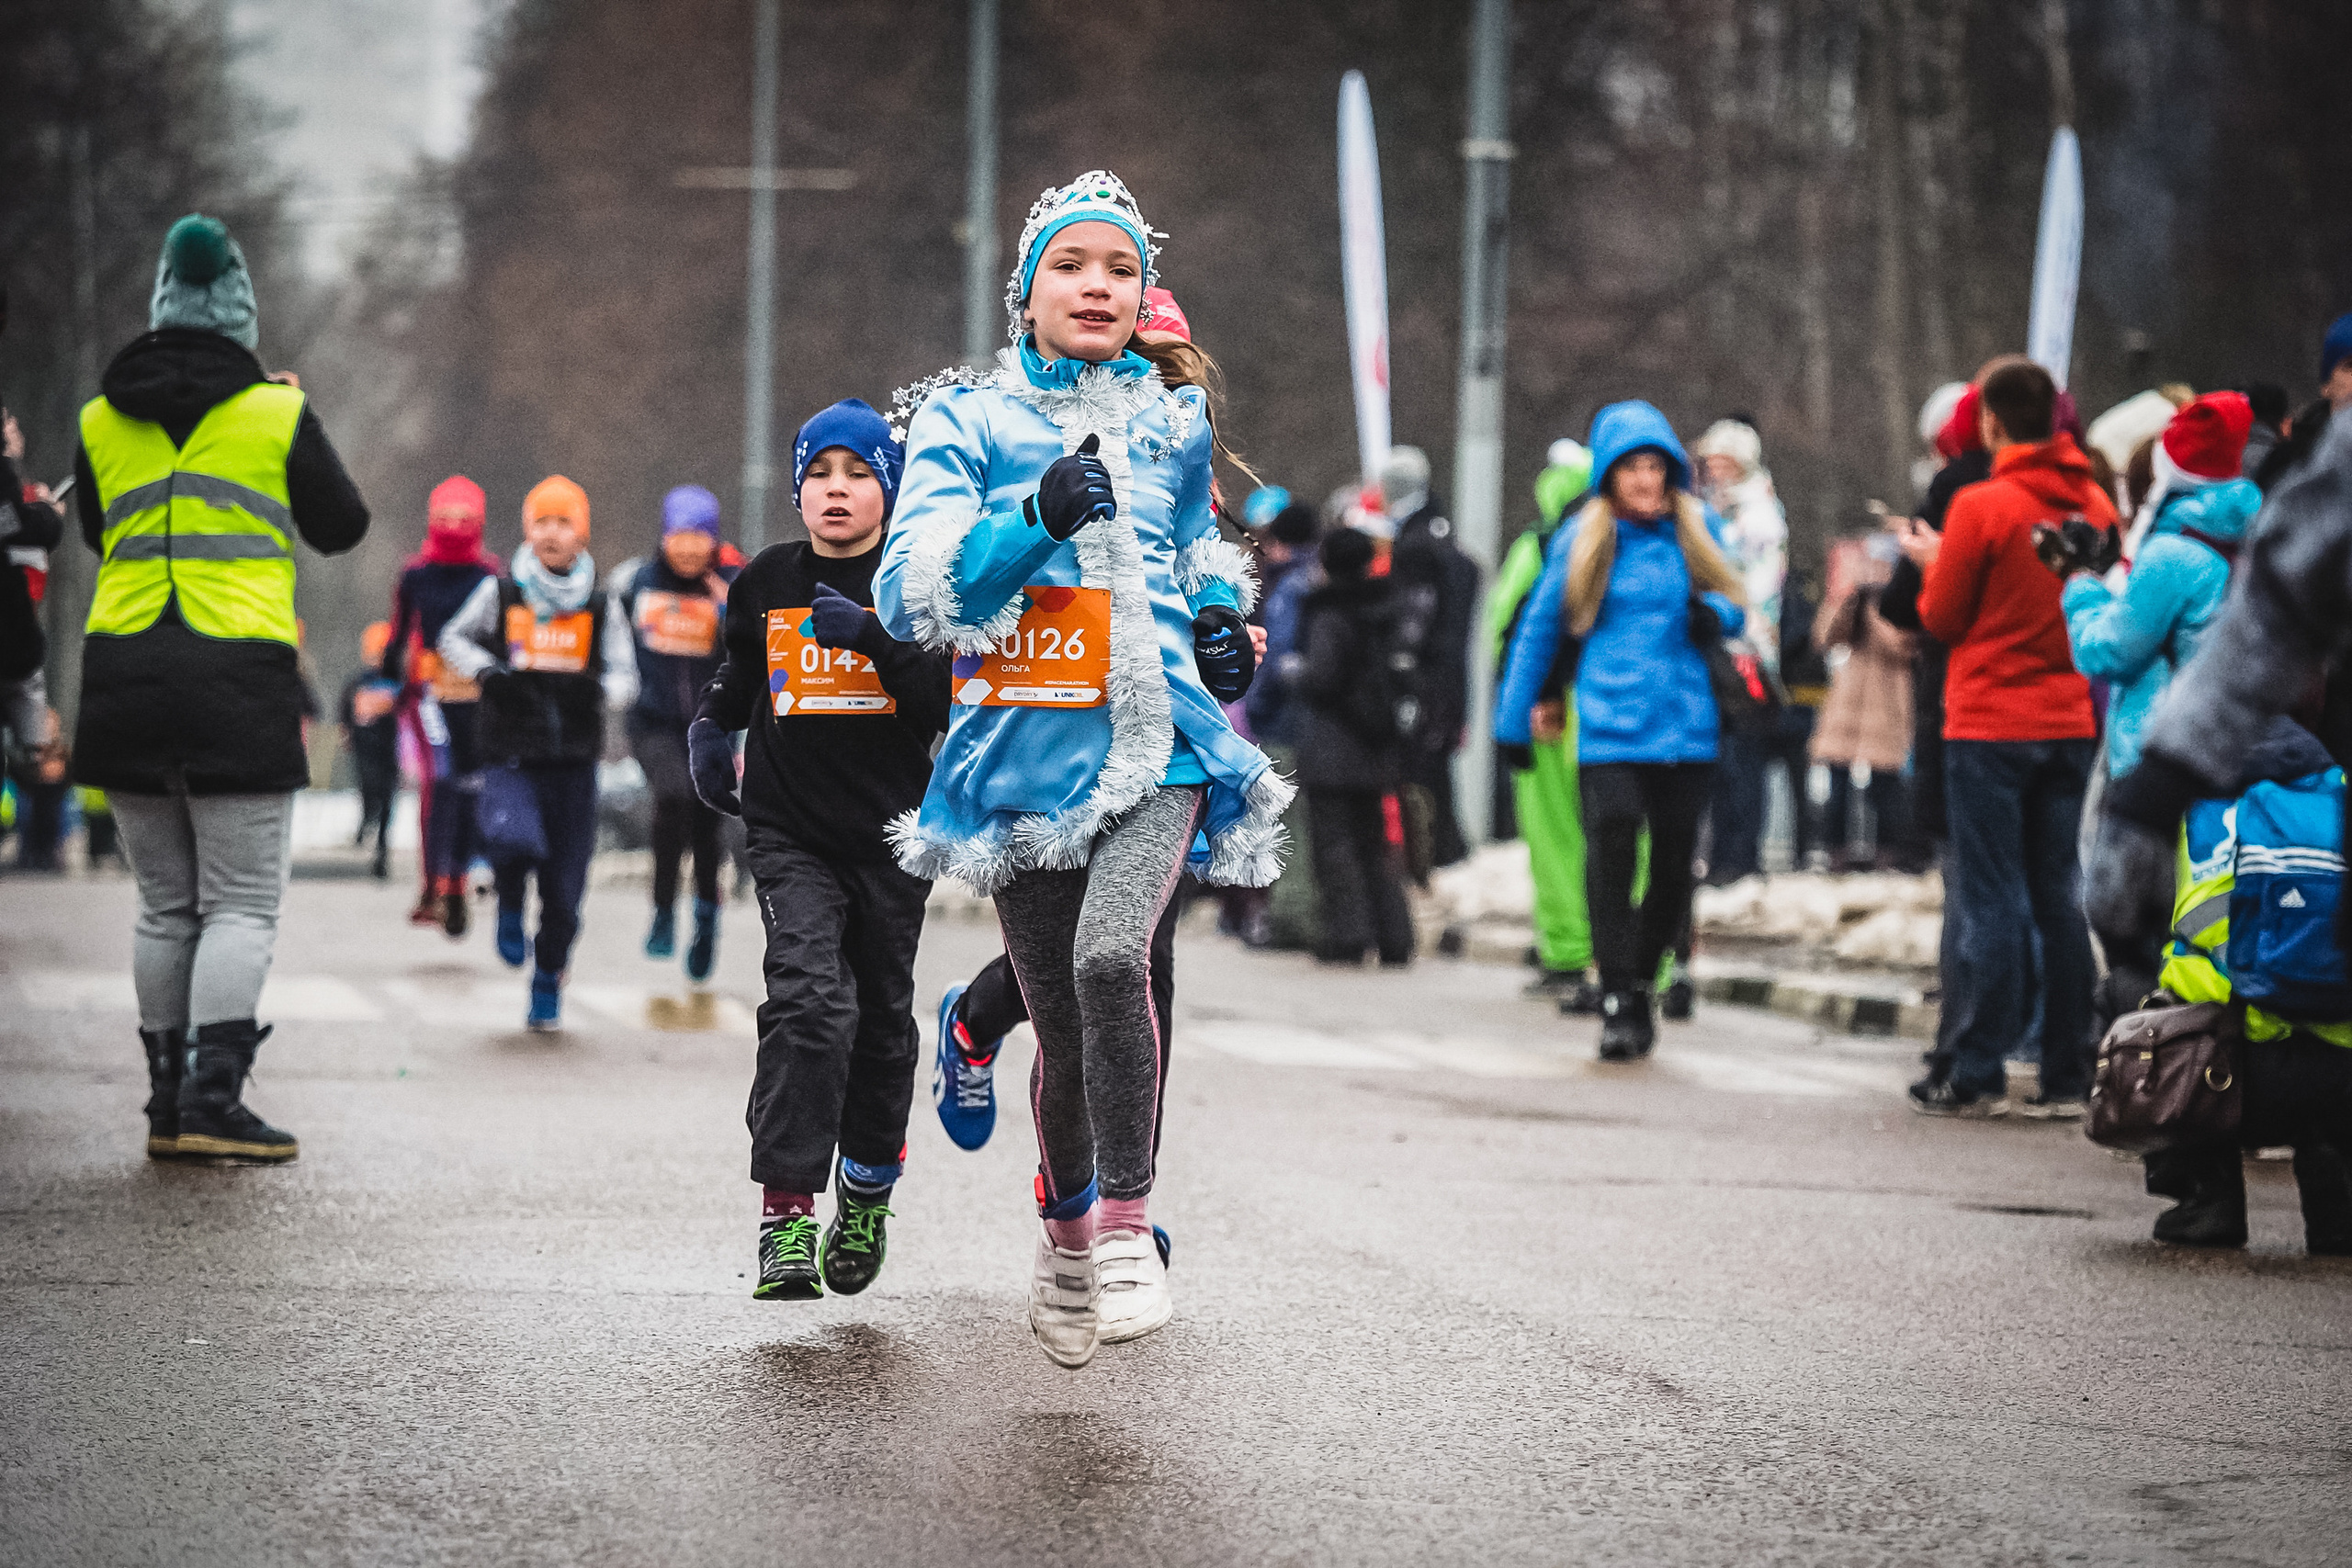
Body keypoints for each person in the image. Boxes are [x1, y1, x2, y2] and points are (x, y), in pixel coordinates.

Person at [875, 170, 1286, 1368]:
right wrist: (1035, 518)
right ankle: (1060, 1225)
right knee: (1056, 1020)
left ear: (1143, 291)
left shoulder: (1172, 421)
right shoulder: (966, 419)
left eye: (1120, 268)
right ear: (1028, 292)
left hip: (1162, 744)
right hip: (1023, 760)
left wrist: (1217, 614)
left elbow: (1197, 544)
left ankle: (1125, 1221)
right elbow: (917, 594)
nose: (1098, 285)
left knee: (1121, 959)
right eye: (1072, 265)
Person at [68, 213, 369, 1161]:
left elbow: (91, 536)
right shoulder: (273, 412)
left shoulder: (99, 419)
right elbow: (342, 526)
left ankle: (166, 1102)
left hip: (122, 670)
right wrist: (292, 413)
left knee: (163, 904)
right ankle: (213, 1098)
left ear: (160, 305)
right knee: (239, 903)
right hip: (235, 674)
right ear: (240, 314)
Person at [687, 398, 949, 1303]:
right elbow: (736, 679)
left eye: (859, 474)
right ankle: (787, 1213)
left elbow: (941, 714)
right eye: (819, 475)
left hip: (889, 838)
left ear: (890, 488)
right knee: (807, 1004)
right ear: (797, 489)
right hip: (789, 829)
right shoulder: (762, 581)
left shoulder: (916, 585)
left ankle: (867, 1192)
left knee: (879, 1021)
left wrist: (876, 642)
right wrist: (711, 732)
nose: (837, 492)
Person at [1494, 400, 1746, 1061]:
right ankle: (1617, 995)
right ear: (1609, 474)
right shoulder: (1585, 537)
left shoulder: (1698, 529)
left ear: (1671, 472)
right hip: (1609, 730)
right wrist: (1511, 721)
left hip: (1687, 730)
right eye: (1631, 466)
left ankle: (1641, 979)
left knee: (1670, 870)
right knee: (1610, 855)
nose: (1644, 479)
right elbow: (1538, 630)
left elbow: (1743, 603)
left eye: (1655, 466)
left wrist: (1715, 615)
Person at [1899, 357, 2107, 1118]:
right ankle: (2067, 1068)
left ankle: (1980, 1062)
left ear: (1989, 421)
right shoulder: (2095, 502)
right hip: (2069, 718)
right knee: (2060, 893)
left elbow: (1943, 618)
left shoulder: (1984, 505)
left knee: (1992, 896)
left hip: (1988, 722)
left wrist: (1931, 566)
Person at [2124, 733, 2352, 1256]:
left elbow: (2128, 921)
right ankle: (2337, 1202)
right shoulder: (2342, 798)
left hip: (2227, 1077)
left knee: (2131, 994)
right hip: (2343, 1070)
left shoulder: (2201, 811)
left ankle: (2208, 1198)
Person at [436, 476, 635, 1031]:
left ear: (581, 533)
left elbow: (626, 674)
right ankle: (506, 902)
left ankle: (548, 977)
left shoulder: (601, 602)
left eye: (564, 522)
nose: (552, 533)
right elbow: (452, 638)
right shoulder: (502, 591)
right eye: (542, 521)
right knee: (512, 838)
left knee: (565, 893)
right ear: (528, 530)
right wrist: (488, 673)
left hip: (574, 761)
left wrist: (600, 691)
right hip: (510, 751)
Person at [616, 484, 738, 978]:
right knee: (673, 798)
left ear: (714, 540)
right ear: (664, 537)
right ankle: (664, 910)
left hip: (713, 722)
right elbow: (609, 633)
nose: (689, 546)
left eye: (699, 536)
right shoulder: (637, 584)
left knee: (709, 820)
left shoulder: (734, 584)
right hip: (655, 724)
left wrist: (731, 610)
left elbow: (761, 643)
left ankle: (707, 920)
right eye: (679, 535)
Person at [1490, 442, 1597, 1004]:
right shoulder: (1637, 539)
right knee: (1633, 841)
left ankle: (1569, 951)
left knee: (1556, 837)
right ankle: (1648, 960)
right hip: (1620, 707)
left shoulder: (1540, 545)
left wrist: (1527, 698)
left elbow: (1509, 626)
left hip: (1549, 712)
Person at [383, 475, 501, 932]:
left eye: (464, 518)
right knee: (440, 778)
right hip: (428, 695)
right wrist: (385, 682)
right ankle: (432, 882)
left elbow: (503, 633)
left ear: (480, 522)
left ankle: (457, 879)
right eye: (445, 518)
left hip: (474, 694)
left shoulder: (491, 575)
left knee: (472, 785)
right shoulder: (415, 574)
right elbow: (397, 634)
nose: (454, 526)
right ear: (431, 521)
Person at [1296, 525, 1415, 966]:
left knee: (1335, 847)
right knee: (1376, 845)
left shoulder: (1328, 612)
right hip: (1376, 744)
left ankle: (1347, 936)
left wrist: (1295, 673)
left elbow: (1323, 678)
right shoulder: (1386, 606)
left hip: (1333, 747)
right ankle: (1395, 937)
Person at [1690, 419, 1788, 885]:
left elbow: (1758, 587)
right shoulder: (1716, 508)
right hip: (1719, 647)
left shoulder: (1757, 516)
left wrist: (1734, 622)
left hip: (1745, 652)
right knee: (1720, 759)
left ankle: (1739, 855)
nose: (1715, 469)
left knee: (1741, 760)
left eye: (1724, 461)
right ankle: (1722, 854)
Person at [1379, 445, 1479, 868]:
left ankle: (1434, 862)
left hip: (1424, 683)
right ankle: (1440, 859)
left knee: (1421, 776)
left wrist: (1401, 665)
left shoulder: (1418, 549)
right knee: (1430, 775)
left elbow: (1417, 624)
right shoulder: (1440, 539)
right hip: (1442, 681)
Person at [1809, 535, 1915, 872]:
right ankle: (1835, 847)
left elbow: (1900, 645)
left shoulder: (1900, 603)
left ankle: (1889, 848)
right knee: (1838, 776)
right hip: (1849, 702)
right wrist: (1847, 600)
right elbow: (1824, 637)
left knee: (1885, 781)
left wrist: (1874, 608)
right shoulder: (1853, 601)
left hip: (1887, 702)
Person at [339, 620, 401, 879]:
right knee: (368, 789)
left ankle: (382, 850)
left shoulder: (399, 682)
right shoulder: (358, 682)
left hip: (390, 750)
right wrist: (347, 731)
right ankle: (367, 822)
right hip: (365, 749)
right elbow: (345, 709)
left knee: (387, 798)